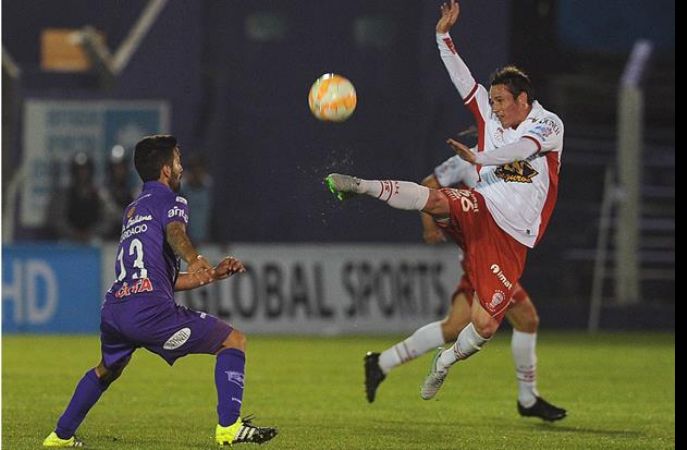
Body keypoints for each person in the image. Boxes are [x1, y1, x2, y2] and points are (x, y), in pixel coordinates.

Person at [325, 0, 564, 406]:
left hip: (510, 239)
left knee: (482, 326)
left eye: (501, 101)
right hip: (480, 208)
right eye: (492, 102)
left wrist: (481, 158)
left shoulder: (548, 123)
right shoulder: (486, 125)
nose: (494, 108)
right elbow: (462, 80)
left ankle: (444, 362)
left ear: (523, 100)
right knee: (434, 199)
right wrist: (442, 36)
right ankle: (359, 185)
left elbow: (525, 147)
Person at [43, 135, 278, 448]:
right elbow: (175, 232)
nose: (181, 168)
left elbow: (162, 279)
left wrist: (212, 275)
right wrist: (195, 258)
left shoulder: (133, 210)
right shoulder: (172, 201)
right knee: (232, 340)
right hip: (149, 313)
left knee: (107, 370)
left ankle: (59, 436)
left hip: (116, 309)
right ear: (166, 170)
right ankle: (229, 427)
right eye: (178, 161)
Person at [363, 164, 566, 421]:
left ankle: (382, 363)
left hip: (495, 255)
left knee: (458, 326)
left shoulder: (514, 157)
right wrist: (430, 226)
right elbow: (430, 185)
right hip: (483, 258)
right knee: (514, 321)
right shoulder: (467, 159)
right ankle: (527, 398)